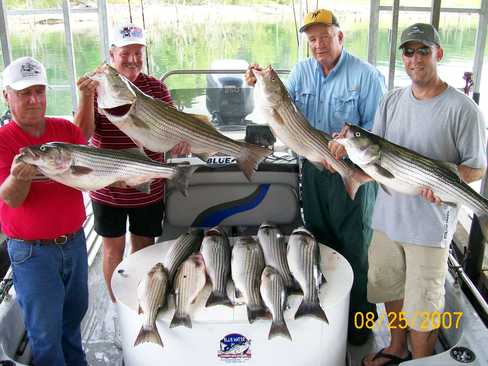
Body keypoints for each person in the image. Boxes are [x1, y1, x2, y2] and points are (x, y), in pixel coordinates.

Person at [245, 8, 386, 345]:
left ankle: (358, 325)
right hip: (312, 168)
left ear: (340, 36)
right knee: (318, 245)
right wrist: (257, 83)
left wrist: (346, 150)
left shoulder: (366, 76)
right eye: (312, 39)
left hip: (352, 171)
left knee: (356, 250)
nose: (318, 44)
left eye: (324, 36)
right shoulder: (302, 72)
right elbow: (281, 109)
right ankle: (325, 314)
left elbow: (378, 133)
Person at [357, 23, 486, 365]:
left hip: (429, 229)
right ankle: (397, 348)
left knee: (424, 308)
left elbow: (477, 168)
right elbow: (375, 152)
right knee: (390, 290)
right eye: (408, 51)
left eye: (423, 51)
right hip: (386, 221)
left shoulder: (463, 109)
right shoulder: (391, 100)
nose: (415, 59)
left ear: (438, 54)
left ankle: (421, 360)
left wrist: (447, 179)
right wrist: (344, 152)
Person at [74, 23, 190, 303]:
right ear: (112, 54)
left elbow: (170, 133)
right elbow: (82, 135)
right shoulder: (96, 87)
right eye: (126, 52)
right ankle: (118, 307)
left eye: (139, 52)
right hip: (107, 184)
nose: (133, 59)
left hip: (146, 182)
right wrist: (85, 98)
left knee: (143, 248)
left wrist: (180, 143)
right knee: (112, 250)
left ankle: (140, 301)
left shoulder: (157, 89)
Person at [0, 57, 88, 365]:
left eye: (39, 91)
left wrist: (123, 178)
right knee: (45, 336)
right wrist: (16, 177)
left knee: (72, 324)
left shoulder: (66, 130)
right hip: (32, 254)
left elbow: (90, 180)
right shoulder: (3, 140)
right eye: (25, 93)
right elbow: (10, 199)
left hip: (75, 245)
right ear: (6, 96)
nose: (35, 100)